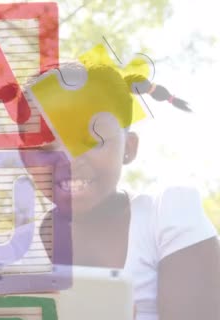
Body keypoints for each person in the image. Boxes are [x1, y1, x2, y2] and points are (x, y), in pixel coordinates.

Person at [20, 62, 220, 320]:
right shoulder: (20, 256)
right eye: (45, 147)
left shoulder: (165, 218)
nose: (68, 160)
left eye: (91, 141)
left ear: (129, 147)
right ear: (25, 159)